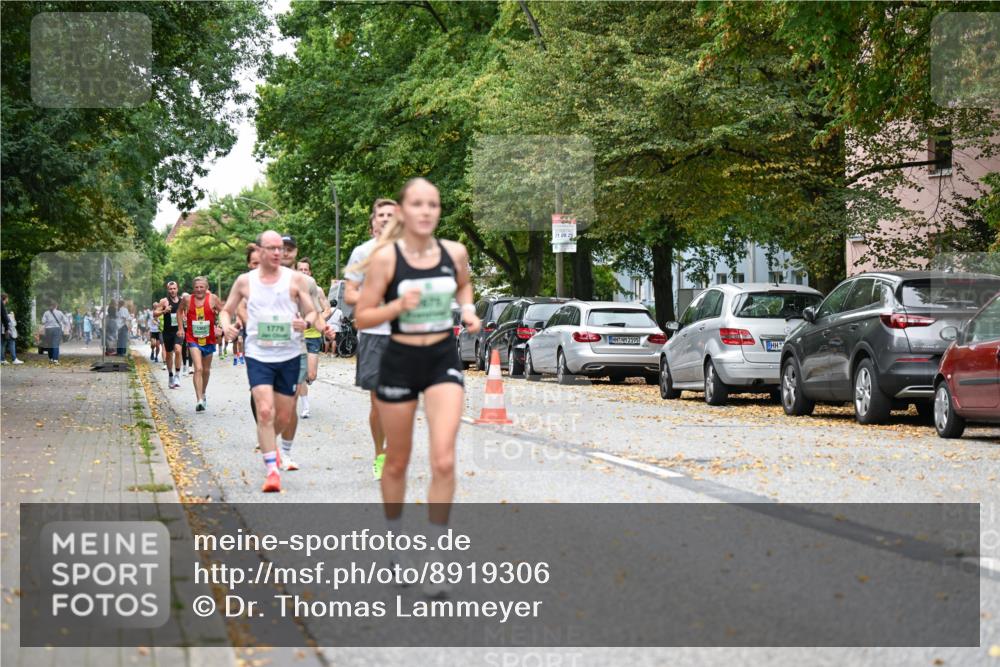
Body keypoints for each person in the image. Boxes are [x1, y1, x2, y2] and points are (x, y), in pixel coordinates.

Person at [353, 178, 480, 594]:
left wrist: (468, 310)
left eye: (434, 204)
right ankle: (394, 542)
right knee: (398, 461)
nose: (426, 211)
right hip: (399, 360)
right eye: (418, 204)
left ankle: (436, 556)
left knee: (443, 459)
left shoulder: (454, 252)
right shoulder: (386, 260)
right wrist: (396, 306)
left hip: (443, 359)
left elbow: (463, 284)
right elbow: (363, 317)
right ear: (405, 212)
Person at [219, 230, 328, 493]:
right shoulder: (245, 282)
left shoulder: (295, 280)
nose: (278, 253)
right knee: (265, 411)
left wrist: (307, 321)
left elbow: (312, 309)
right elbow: (226, 310)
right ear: (260, 250)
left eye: (281, 248)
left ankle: (274, 446)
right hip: (259, 355)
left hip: (289, 354)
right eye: (272, 248)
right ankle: (271, 471)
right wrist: (226, 327)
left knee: (284, 414)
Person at [345, 197, 397, 479]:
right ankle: (380, 454)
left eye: (392, 214)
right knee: (378, 401)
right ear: (373, 223)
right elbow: (350, 293)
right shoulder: (361, 253)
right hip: (374, 334)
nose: (386, 219)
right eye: (381, 215)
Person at [294, 256, 333, 419]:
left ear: (310, 272)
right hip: (297, 337)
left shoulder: (317, 290)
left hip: (314, 334)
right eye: (300, 269)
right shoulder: (291, 289)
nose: (303, 272)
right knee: (301, 374)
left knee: (311, 375)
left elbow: (327, 310)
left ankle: (305, 380)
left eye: (306, 270)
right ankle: (305, 406)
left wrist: (319, 319)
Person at [180, 277, 223, 412]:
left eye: (201, 287)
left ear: (206, 287)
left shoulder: (213, 299)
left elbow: (223, 312)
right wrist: (181, 328)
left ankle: (203, 393)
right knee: (198, 368)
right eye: (196, 287)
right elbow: (179, 312)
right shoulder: (187, 300)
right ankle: (199, 399)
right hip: (193, 338)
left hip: (209, 338)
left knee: (206, 370)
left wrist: (220, 326)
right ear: (193, 288)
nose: (199, 289)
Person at [155, 282, 184, 388]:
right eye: (170, 289)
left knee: (178, 350)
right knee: (169, 354)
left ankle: (177, 375)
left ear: (177, 289)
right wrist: (164, 311)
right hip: (167, 331)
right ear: (168, 290)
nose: (172, 290)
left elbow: (187, 312)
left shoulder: (182, 301)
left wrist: (185, 318)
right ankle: (170, 376)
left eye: (174, 288)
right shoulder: (164, 301)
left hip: (178, 331)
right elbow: (155, 313)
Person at [1, 294, 22, 364]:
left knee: (3, 344)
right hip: (5, 328)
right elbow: (5, 318)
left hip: (1, 328)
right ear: (5, 298)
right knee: (12, 341)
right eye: (7, 298)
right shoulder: (2, 305)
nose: (8, 300)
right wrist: (7, 328)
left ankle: (2, 359)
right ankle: (14, 359)